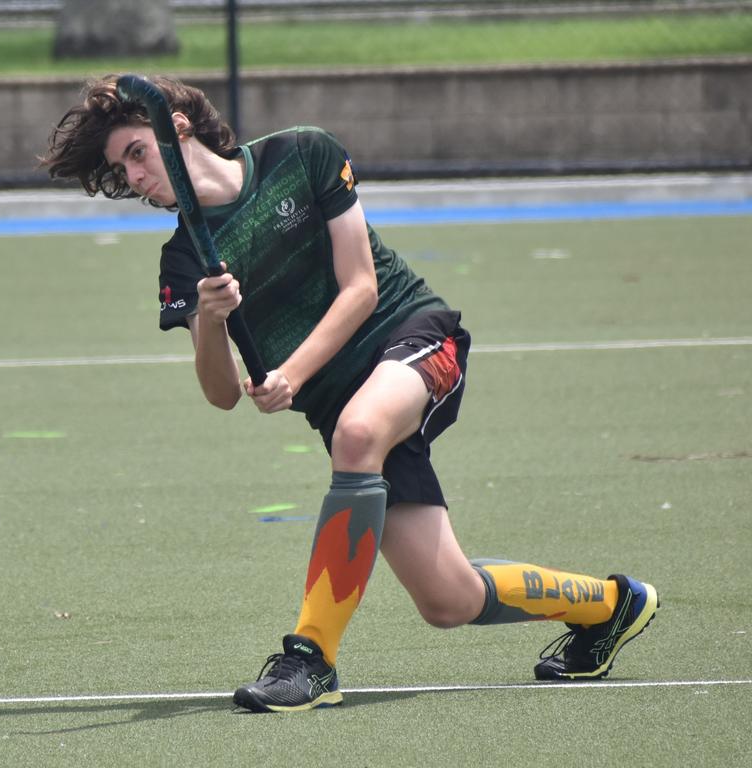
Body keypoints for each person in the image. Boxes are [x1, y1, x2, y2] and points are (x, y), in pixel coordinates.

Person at [41, 75, 659, 713]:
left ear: (177, 126)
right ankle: (612, 606)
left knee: (358, 434)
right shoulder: (183, 262)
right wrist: (213, 320)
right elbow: (222, 392)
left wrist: (293, 375)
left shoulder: (302, 154)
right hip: (345, 407)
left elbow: (361, 286)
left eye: (137, 152)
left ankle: (310, 659)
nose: (135, 175)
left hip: (414, 336)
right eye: (122, 168)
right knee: (448, 600)